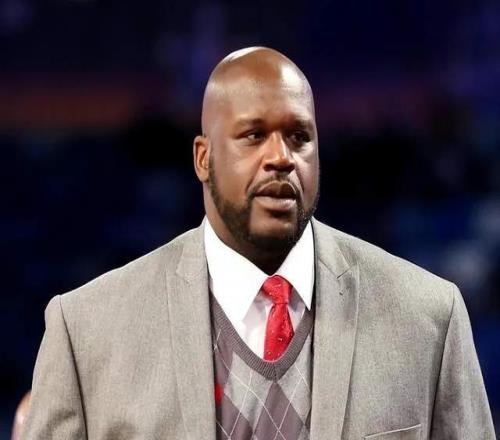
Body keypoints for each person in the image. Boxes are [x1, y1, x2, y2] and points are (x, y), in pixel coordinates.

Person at [21, 47, 495, 440]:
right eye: (253, 135)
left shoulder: (428, 319)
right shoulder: (86, 332)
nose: (281, 157)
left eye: (299, 136)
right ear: (203, 158)